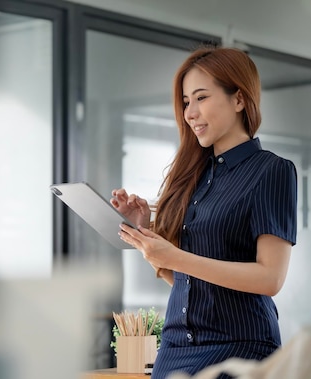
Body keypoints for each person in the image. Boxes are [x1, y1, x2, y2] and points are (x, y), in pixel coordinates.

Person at [110, 46, 298, 379]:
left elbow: (271, 279)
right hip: (175, 347)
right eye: (185, 102)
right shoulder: (192, 176)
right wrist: (146, 237)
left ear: (239, 100)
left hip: (240, 347)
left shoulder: (272, 171)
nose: (190, 113)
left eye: (201, 98)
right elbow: (184, 281)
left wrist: (175, 256)